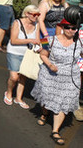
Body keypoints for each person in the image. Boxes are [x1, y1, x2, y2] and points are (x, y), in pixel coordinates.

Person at [32, 17, 83, 145]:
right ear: (62, 27)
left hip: (70, 77)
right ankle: (44, 113)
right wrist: (50, 65)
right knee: (47, 98)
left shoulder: (80, 42)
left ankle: (55, 131)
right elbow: (43, 55)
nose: (71, 30)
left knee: (64, 101)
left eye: (73, 28)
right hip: (50, 74)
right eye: (67, 27)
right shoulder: (49, 40)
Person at [5, 5, 40, 109]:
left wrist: (41, 46)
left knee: (23, 76)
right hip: (14, 52)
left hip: (28, 54)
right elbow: (13, 40)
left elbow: (38, 40)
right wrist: (30, 40)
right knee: (14, 77)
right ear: (27, 14)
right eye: (34, 14)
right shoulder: (17, 23)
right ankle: (9, 93)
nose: (36, 17)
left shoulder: (37, 24)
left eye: (38, 14)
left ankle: (19, 98)